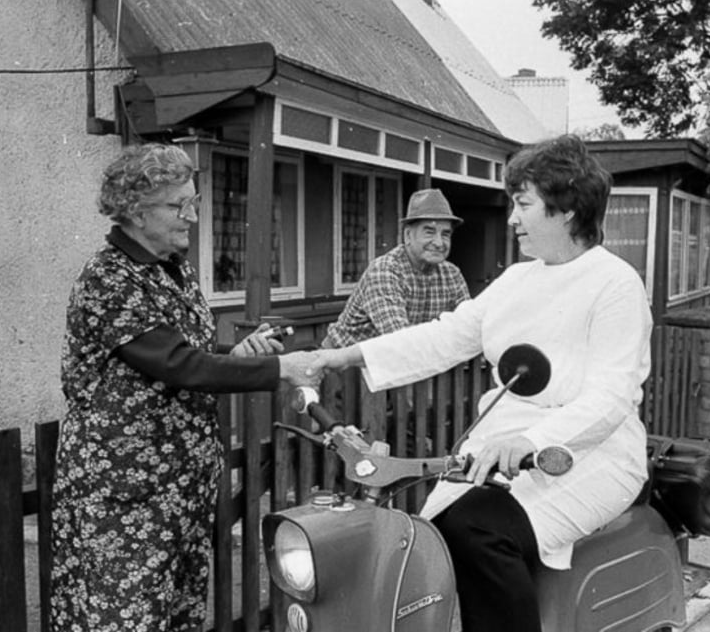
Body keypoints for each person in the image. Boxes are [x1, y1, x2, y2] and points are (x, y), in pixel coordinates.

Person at [308, 134, 653, 632]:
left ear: (567, 209)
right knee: (430, 538)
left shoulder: (616, 283)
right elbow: (447, 336)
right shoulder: (518, 279)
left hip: (588, 455)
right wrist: (339, 355)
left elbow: (613, 395)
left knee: (475, 532)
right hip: (503, 448)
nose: (512, 218)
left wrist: (532, 440)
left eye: (523, 204)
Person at [50, 143, 319, 632]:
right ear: (134, 209)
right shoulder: (109, 278)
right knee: (121, 619)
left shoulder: (174, 271)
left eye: (194, 202)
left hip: (177, 493)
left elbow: (190, 353)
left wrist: (236, 356)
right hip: (124, 499)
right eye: (179, 206)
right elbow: (179, 365)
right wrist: (283, 369)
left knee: (177, 617)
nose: (192, 216)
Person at [321, 188, 470, 348]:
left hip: (390, 363)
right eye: (429, 232)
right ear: (407, 236)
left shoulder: (451, 274)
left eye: (445, 234)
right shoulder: (385, 270)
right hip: (343, 362)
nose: (439, 242)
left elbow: (469, 325)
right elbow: (400, 340)